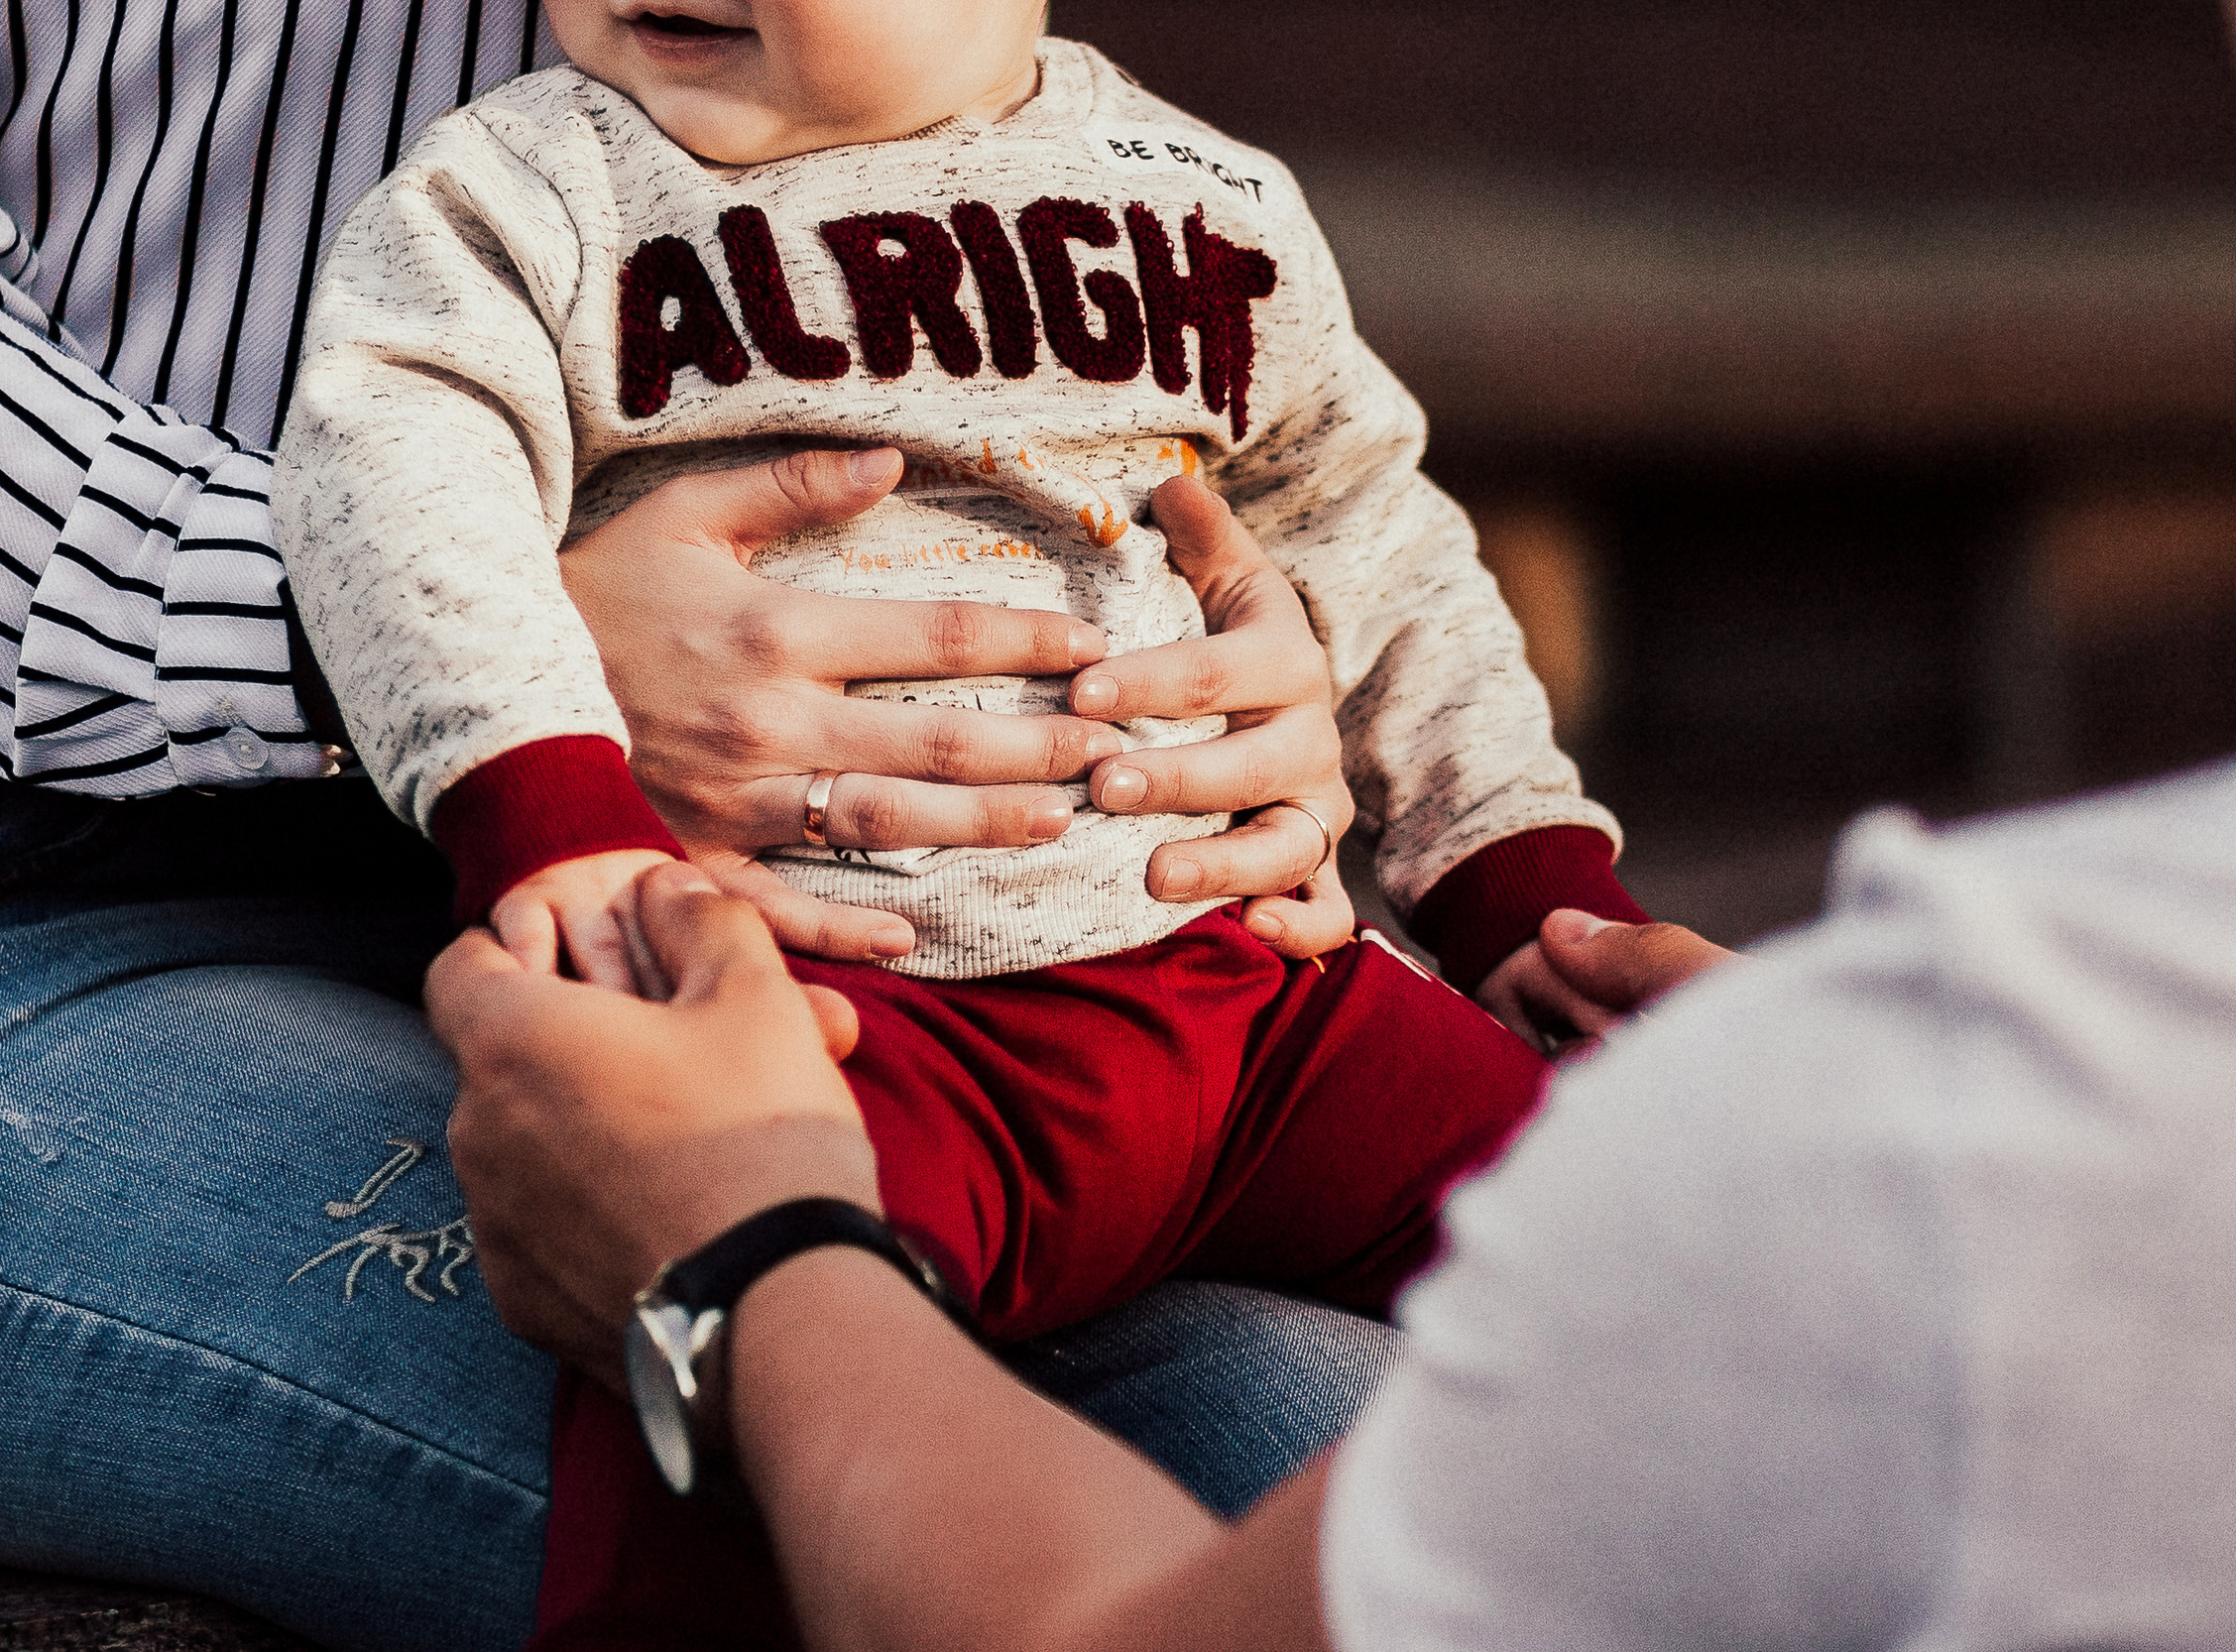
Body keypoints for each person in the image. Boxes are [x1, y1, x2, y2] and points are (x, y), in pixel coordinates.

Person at [0, 8, 1413, 1648]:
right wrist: (466, 660)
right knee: (976, 1492)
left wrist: (1176, 666)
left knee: (1409, 1450)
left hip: (827, 934)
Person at [277, 4, 1649, 1633]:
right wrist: (546, 802)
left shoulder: (1198, 198)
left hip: (1254, 1006)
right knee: (725, 1414)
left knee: (1632, 1248)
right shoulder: (528, 194)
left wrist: (1522, 885)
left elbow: (1367, 535)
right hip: (844, 1024)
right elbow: (390, 476)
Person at [438, 757, 2236, 1652]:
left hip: (1218, 1011)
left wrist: (749, 1254)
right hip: (902, 988)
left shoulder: (2012, 1071)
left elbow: (1364, 512)